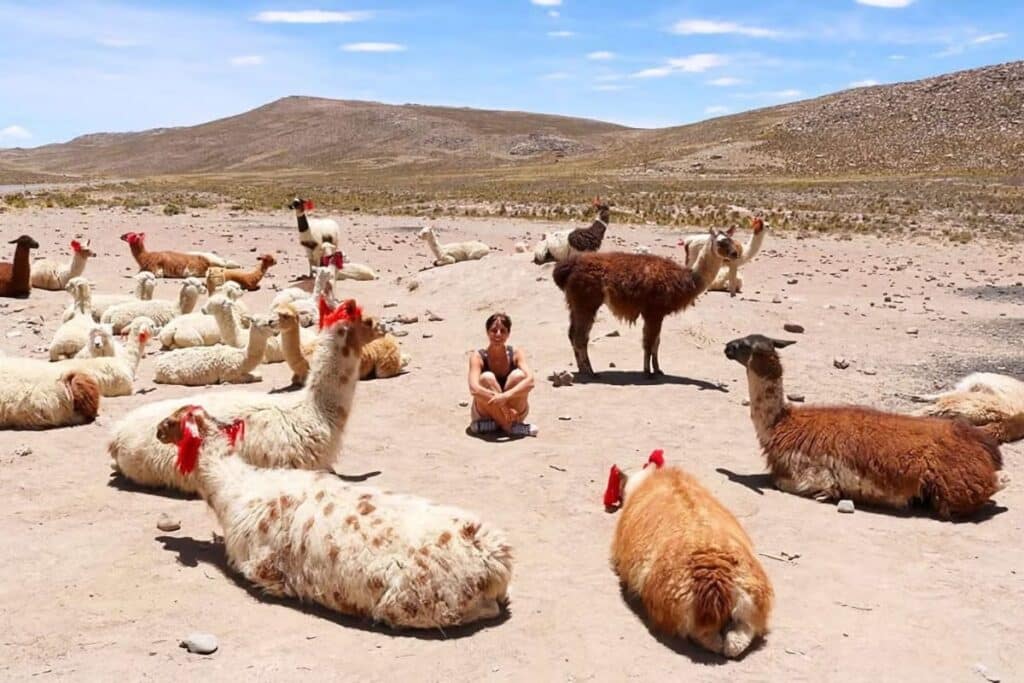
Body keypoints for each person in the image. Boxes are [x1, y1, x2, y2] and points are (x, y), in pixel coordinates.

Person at [468, 312, 538, 437]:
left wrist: (505, 396)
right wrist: (503, 406)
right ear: (487, 332)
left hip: (514, 411)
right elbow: (474, 388)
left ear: (508, 333)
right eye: (494, 330)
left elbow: (530, 381)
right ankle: (510, 427)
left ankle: (495, 425)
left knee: (519, 376)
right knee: (486, 378)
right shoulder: (478, 357)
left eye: (503, 331)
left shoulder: (516, 353)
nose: (498, 335)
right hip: (487, 412)